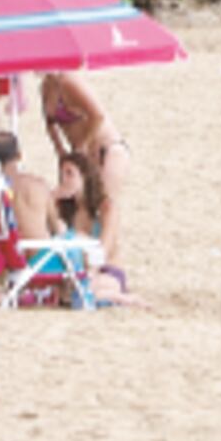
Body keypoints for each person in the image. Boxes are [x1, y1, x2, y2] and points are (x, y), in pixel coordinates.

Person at [42, 72, 130, 274]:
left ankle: (107, 263)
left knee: (105, 205)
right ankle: (87, 259)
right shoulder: (47, 87)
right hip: (79, 153)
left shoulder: (68, 81)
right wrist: (61, 152)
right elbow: (50, 123)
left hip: (105, 149)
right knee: (80, 203)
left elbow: (98, 115)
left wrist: (84, 144)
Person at [56, 152, 146, 306]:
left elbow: (104, 249)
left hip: (107, 270)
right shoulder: (64, 208)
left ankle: (124, 298)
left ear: (84, 176)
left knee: (82, 293)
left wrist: (90, 271)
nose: (65, 180)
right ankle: (115, 297)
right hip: (78, 272)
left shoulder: (106, 208)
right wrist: (51, 198)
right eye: (62, 175)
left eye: (70, 174)